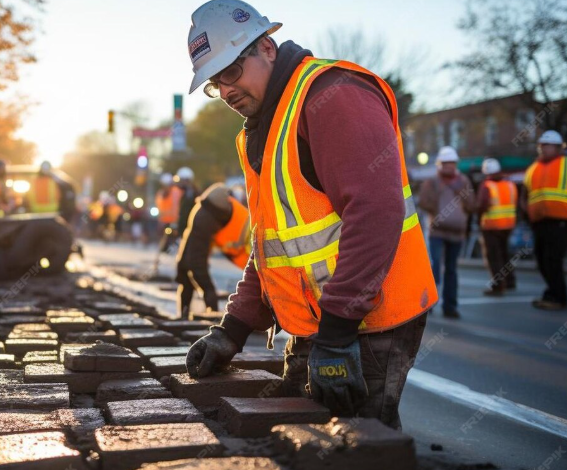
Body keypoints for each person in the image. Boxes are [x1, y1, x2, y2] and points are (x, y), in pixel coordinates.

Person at [183, 0, 437, 429]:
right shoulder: (263, 129)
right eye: (214, 82)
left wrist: (337, 335)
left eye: (230, 71)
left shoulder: (332, 95)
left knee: (358, 448)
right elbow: (273, 244)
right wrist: (234, 327)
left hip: (372, 322)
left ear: (265, 46)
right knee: (299, 435)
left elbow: (375, 214)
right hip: (324, 322)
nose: (224, 91)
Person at [176, 183, 251, 319]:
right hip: (207, 213)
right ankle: (194, 315)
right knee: (187, 268)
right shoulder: (206, 215)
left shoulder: (207, 216)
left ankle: (213, 316)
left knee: (195, 270)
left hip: (254, 258)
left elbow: (195, 263)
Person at [419, 146, 475, 318]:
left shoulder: (463, 181)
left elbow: (472, 204)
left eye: (452, 163)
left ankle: (450, 307)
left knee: (451, 270)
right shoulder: (432, 182)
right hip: (437, 232)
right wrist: (438, 211)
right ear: (440, 164)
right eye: (446, 163)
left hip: (457, 233)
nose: (449, 166)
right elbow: (423, 202)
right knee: (435, 267)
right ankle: (429, 304)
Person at [523, 130, 567, 310]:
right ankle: (551, 293)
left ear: (558, 147)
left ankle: (558, 297)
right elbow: (526, 194)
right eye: (541, 145)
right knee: (542, 259)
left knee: (553, 259)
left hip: (561, 220)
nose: (543, 149)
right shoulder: (534, 168)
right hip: (539, 222)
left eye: (547, 145)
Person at [477, 158, 517, 295]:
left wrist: (478, 220)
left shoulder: (487, 185)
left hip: (491, 226)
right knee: (505, 253)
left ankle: (498, 286)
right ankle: (510, 281)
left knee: (494, 256)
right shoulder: (510, 184)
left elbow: (482, 205)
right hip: (508, 225)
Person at [155, 172, 182, 246]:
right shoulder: (160, 193)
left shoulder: (176, 192)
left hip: (175, 221)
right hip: (163, 220)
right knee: (163, 240)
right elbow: (159, 206)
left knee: (174, 239)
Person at [175, 166, 199, 236]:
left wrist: (180, 230)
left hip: (189, 230)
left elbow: (184, 215)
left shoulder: (190, 194)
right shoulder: (190, 192)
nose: (179, 183)